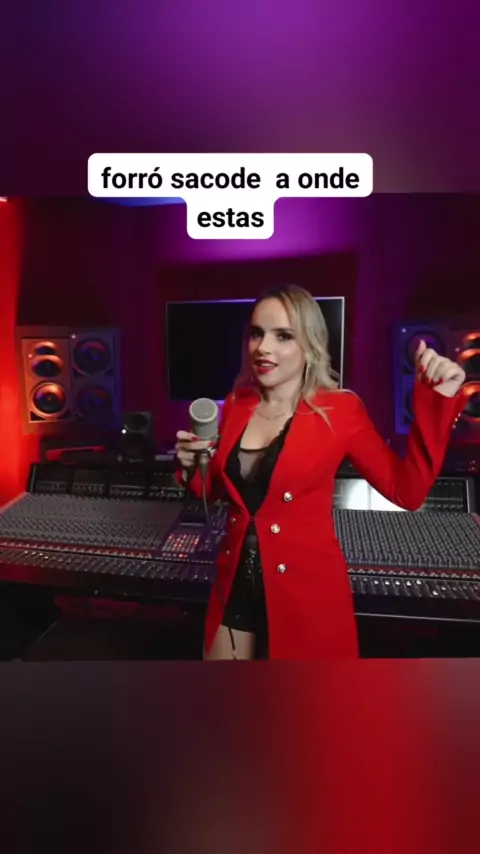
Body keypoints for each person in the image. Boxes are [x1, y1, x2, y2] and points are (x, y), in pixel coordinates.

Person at [175, 285, 466, 661]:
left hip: (305, 595)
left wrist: (439, 399)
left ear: (309, 344)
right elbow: (219, 491)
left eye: (283, 336)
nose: (263, 347)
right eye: (257, 333)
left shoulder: (340, 411)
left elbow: (407, 491)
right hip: (234, 587)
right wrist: (190, 467)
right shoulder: (235, 404)